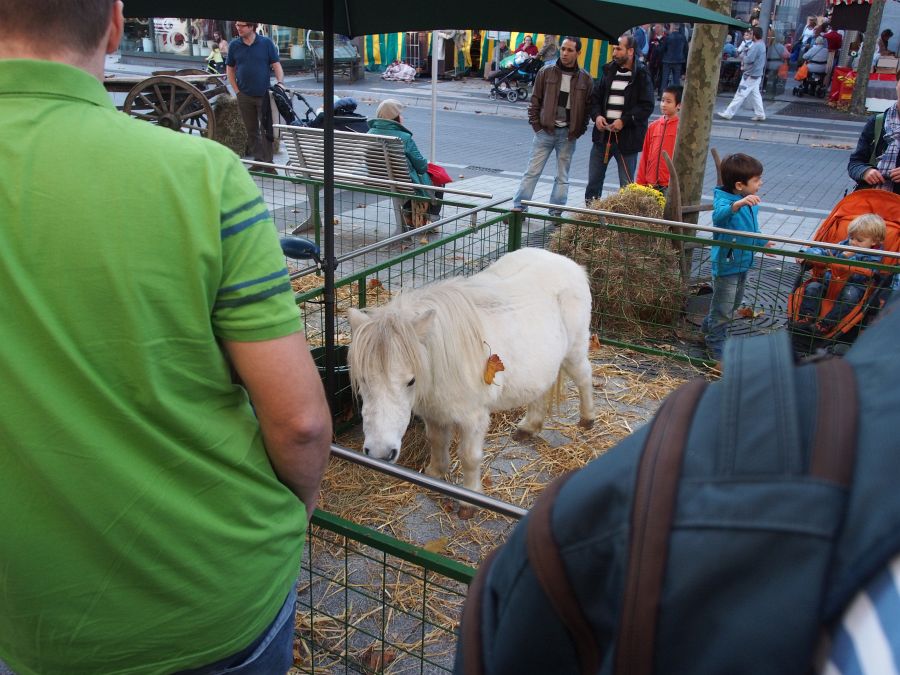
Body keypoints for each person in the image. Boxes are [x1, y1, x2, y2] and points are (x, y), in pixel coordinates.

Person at [0, 1, 333, 674]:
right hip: (215, 600)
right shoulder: (206, 177)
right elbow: (300, 423)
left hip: (29, 622)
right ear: (114, 22)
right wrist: (300, 505)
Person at [702, 153, 776, 357]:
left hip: (744, 261)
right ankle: (715, 344)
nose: (761, 183)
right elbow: (719, 217)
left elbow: (751, 228)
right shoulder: (725, 200)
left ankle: (707, 327)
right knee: (724, 307)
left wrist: (761, 242)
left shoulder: (750, 202)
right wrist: (737, 205)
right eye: (757, 180)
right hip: (727, 263)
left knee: (733, 303)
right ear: (740, 185)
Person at [511, 37, 592, 217]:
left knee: (562, 177)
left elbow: (587, 109)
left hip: (568, 134)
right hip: (545, 132)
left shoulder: (585, 78)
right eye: (563, 49)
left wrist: (578, 130)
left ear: (578, 53)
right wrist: (537, 126)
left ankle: (556, 212)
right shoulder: (546, 71)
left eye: (570, 50)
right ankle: (519, 208)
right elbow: (535, 100)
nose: (565, 53)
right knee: (532, 172)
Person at [584, 34, 655, 203]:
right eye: (614, 49)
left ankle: (624, 217)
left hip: (627, 140)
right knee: (593, 183)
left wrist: (624, 120)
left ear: (630, 51)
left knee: (627, 186)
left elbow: (646, 106)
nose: (614, 53)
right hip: (602, 137)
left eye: (618, 49)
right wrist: (597, 116)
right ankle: (591, 214)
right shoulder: (608, 70)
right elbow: (595, 98)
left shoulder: (641, 74)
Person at [798, 213, 886, 331]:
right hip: (831, 282)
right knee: (813, 287)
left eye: (859, 240)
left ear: (874, 242)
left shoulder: (874, 256)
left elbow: (862, 276)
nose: (853, 242)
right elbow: (826, 251)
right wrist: (807, 253)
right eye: (851, 238)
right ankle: (807, 316)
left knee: (850, 297)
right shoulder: (844, 245)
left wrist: (843, 258)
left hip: (853, 286)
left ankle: (826, 324)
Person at [367, 99, 441, 224]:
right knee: (440, 177)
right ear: (394, 117)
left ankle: (408, 213)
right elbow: (421, 167)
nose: (402, 117)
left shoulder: (369, 133)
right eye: (400, 114)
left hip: (379, 180)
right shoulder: (403, 137)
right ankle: (432, 215)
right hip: (404, 183)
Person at [226, 20, 285, 168]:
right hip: (244, 95)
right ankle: (258, 161)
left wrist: (280, 82)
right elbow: (230, 69)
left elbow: (276, 65)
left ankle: (269, 163)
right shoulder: (234, 45)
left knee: (266, 129)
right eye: (237, 25)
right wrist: (237, 91)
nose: (238, 28)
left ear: (251, 26)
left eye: (241, 25)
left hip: (264, 94)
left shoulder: (266, 43)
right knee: (251, 130)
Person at [848, 78, 900, 193]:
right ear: (897, 84)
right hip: (873, 199)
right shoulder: (878, 122)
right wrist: (865, 171)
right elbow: (855, 163)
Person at [636, 85, 681, 195]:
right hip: (651, 184)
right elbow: (645, 156)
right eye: (662, 100)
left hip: (670, 184)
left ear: (679, 105)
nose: (663, 104)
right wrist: (640, 183)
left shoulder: (681, 128)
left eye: (668, 102)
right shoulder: (653, 126)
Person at [717, 26, 767, 122]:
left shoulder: (756, 46)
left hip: (750, 74)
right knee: (755, 95)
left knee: (740, 94)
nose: (749, 35)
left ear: (754, 35)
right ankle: (760, 114)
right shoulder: (761, 44)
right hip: (756, 74)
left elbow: (749, 59)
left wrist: (743, 53)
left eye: (751, 34)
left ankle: (728, 113)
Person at [657, 23, 688, 98]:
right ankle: (677, 96)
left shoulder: (668, 37)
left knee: (665, 79)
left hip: (667, 61)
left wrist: (659, 45)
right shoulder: (683, 38)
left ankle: (662, 95)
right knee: (676, 80)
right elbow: (686, 50)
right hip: (678, 61)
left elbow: (662, 49)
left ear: (672, 27)